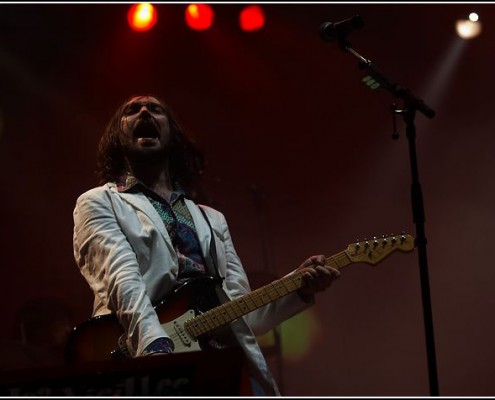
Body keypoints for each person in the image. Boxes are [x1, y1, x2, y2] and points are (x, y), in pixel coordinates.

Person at [72, 94, 341, 396]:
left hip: (221, 366)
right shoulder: (99, 202)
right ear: (117, 137)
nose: (144, 111)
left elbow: (243, 315)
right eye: (132, 110)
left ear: (173, 135)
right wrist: (155, 348)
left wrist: (297, 287)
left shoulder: (211, 219)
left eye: (155, 109)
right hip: (143, 355)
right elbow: (122, 280)